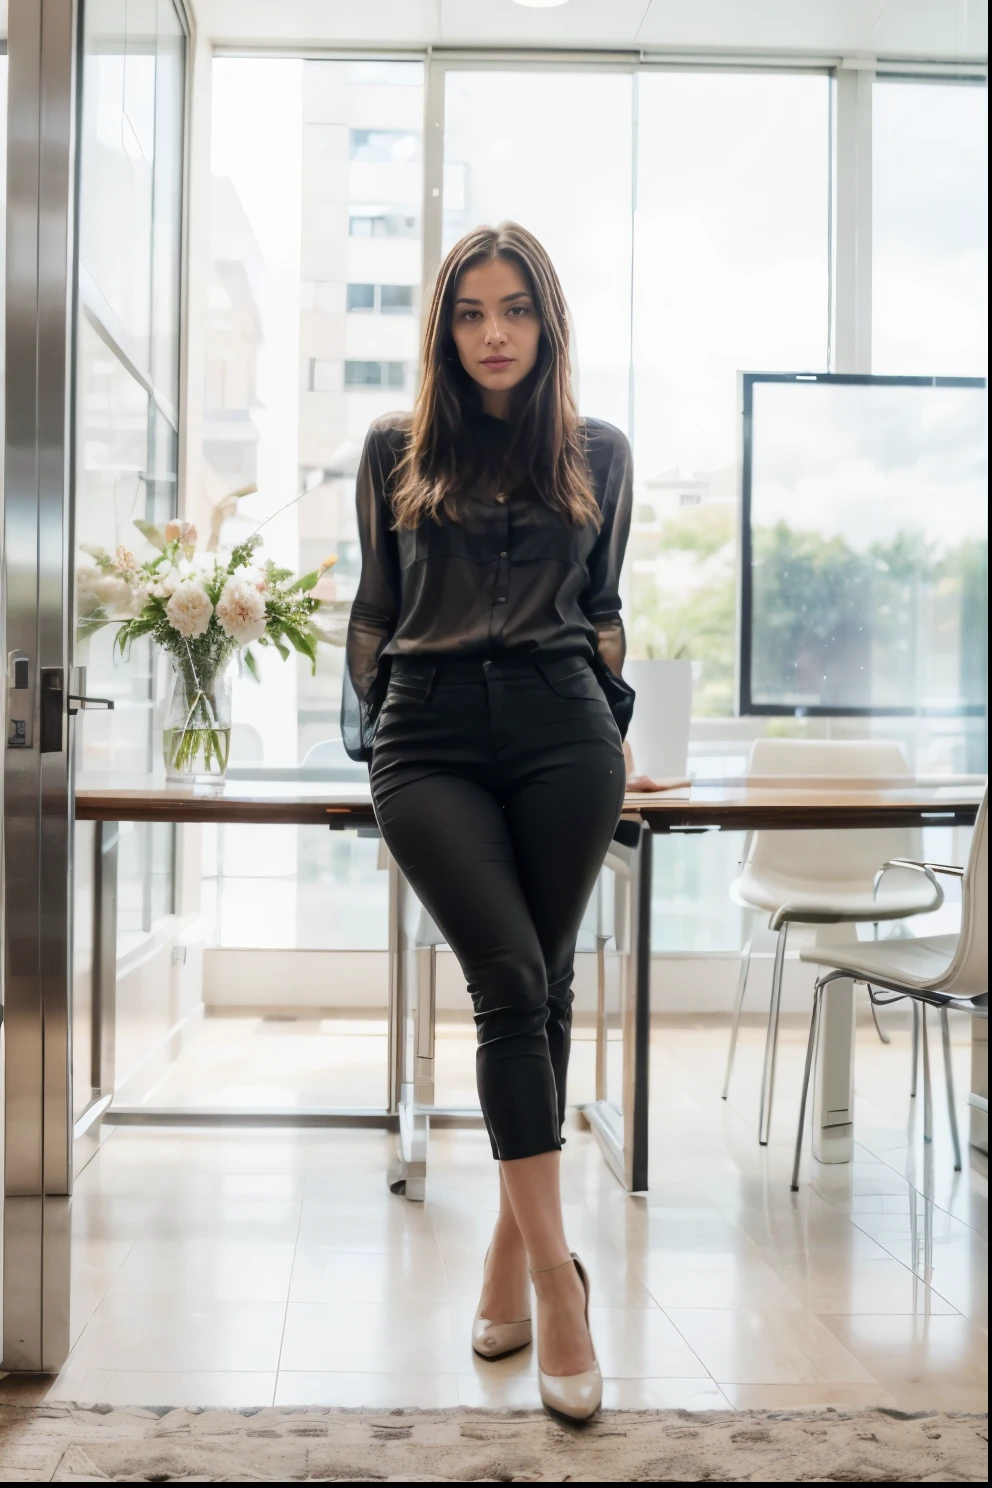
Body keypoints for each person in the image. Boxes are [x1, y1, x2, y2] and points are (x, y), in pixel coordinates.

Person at [343, 222, 650, 1420]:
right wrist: (378, 727)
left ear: (547, 321)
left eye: (514, 310)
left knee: (546, 981)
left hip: (562, 728)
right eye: (469, 313)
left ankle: (506, 1260)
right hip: (426, 738)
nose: (492, 334)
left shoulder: (598, 453)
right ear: (443, 328)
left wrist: (609, 719)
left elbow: (606, 606)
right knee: (510, 981)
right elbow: (372, 608)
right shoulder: (393, 449)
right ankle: (562, 1289)